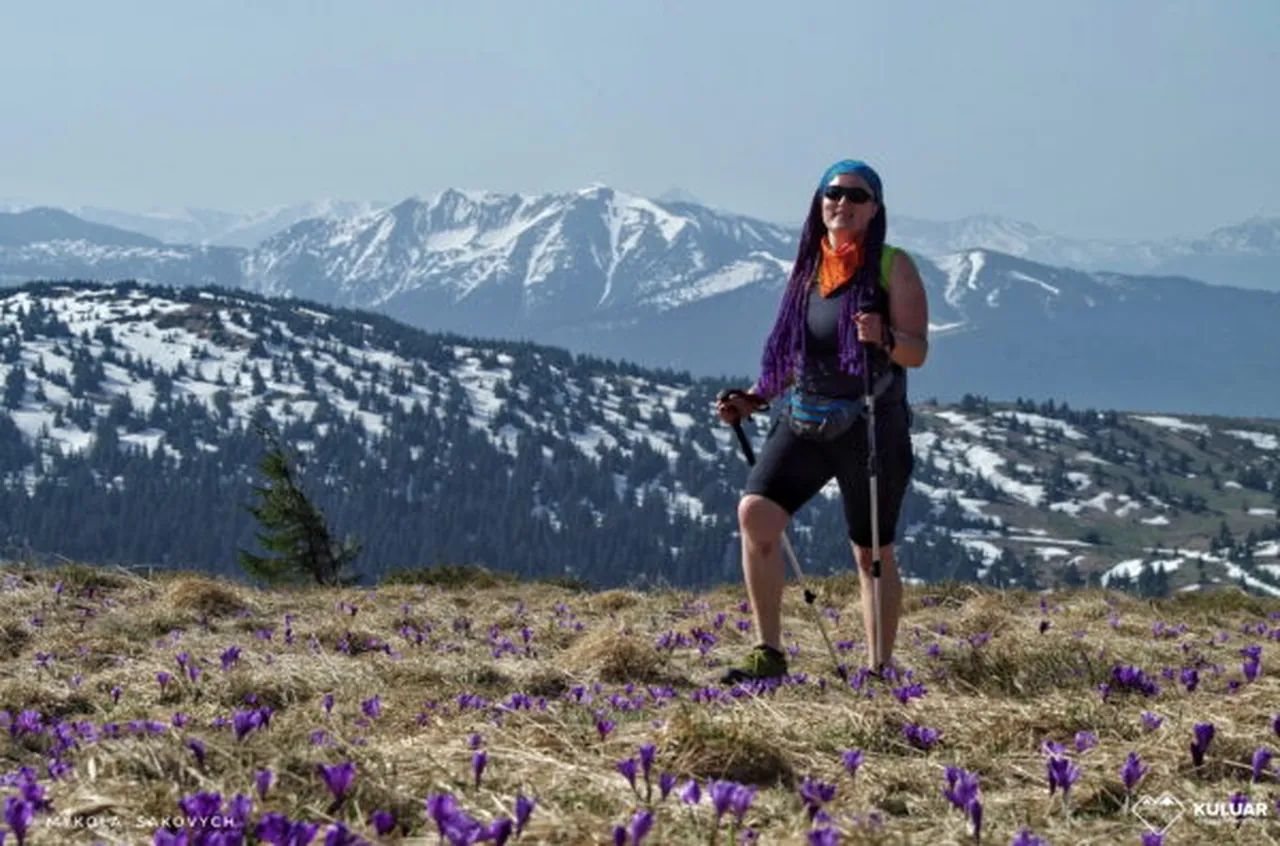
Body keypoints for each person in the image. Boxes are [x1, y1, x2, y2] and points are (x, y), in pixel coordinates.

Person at [715, 159, 929, 683]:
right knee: (756, 514)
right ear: (819, 202)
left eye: (857, 196)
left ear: (875, 209)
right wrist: (755, 398)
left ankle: (879, 668)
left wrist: (884, 337)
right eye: (833, 193)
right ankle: (768, 653)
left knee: (871, 552)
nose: (842, 203)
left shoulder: (893, 267)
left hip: (872, 425)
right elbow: (794, 354)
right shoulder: (810, 268)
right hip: (806, 416)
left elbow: (917, 352)